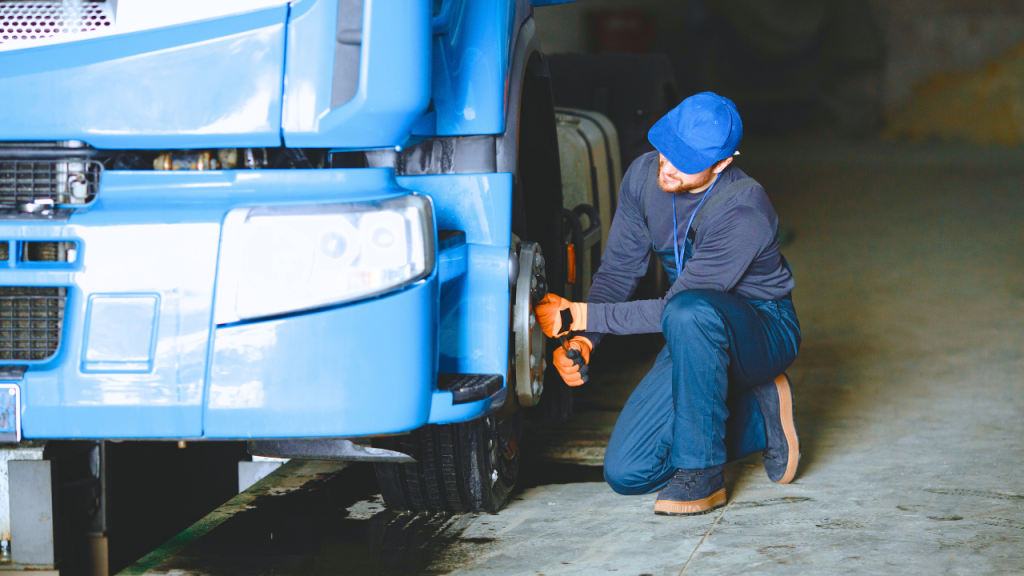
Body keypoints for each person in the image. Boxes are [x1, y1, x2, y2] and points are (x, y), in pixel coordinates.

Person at [535, 92, 801, 516]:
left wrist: (577, 313)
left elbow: (673, 308)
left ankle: (704, 474)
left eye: (687, 159)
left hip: (761, 329)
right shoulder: (644, 175)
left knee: (688, 311)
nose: (669, 164)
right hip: (690, 329)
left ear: (723, 163)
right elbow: (620, 269)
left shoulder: (744, 209)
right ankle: (757, 415)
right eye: (667, 148)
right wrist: (586, 338)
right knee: (629, 472)